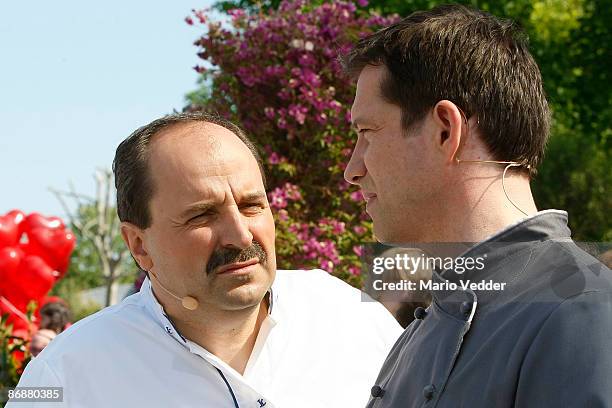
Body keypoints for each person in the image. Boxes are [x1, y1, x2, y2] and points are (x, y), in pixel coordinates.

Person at [9, 112, 402, 408]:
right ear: (138, 245)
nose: (241, 235)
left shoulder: (352, 319)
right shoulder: (66, 374)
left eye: (252, 206)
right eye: (202, 215)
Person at [342, 4, 612, 407]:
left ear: (444, 131)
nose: (352, 169)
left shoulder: (584, 312)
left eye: (367, 132)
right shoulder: (420, 334)